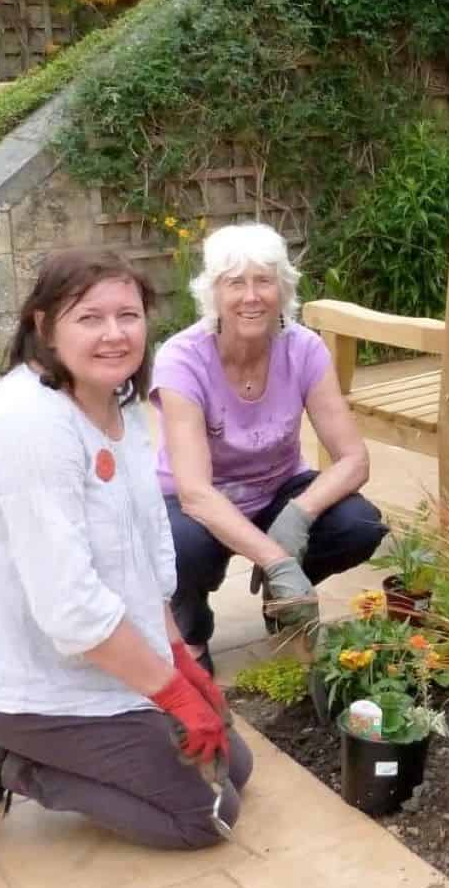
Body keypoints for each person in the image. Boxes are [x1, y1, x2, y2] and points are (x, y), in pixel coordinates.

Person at [0, 248, 250, 851]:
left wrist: (180, 660)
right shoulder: (32, 427)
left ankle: (24, 749)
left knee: (236, 764)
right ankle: (2, 756)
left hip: (100, 653)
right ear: (44, 326)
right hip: (28, 674)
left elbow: (141, 558)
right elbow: (70, 607)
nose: (114, 334)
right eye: (89, 318)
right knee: (207, 816)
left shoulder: (116, 400)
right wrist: (173, 694)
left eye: (128, 315)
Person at [153, 223, 387, 670]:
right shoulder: (182, 360)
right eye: (235, 282)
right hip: (197, 502)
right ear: (213, 294)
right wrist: (275, 557)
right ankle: (192, 628)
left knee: (358, 524)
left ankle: (281, 598)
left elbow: (355, 459)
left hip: (276, 488)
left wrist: (295, 520)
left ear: (282, 289)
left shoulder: (304, 349)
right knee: (179, 547)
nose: (251, 296)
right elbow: (195, 492)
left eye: (263, 280)